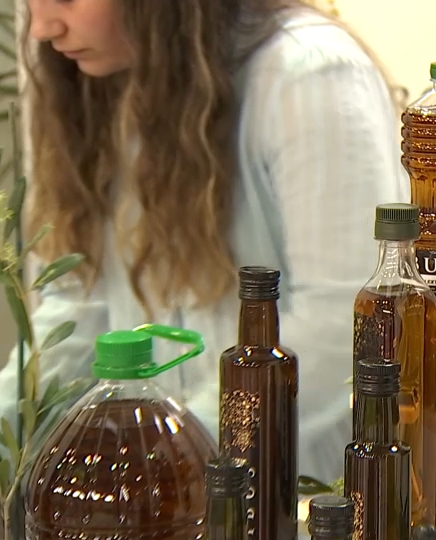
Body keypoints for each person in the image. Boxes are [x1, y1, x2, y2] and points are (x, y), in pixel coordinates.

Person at [0, 0, 409, 483]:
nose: (43, 27)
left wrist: (168, 453)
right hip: (168, 486)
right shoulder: (115, 79)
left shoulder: (307, 74)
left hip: (300, 493)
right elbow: (78, 310)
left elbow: (345, 318)